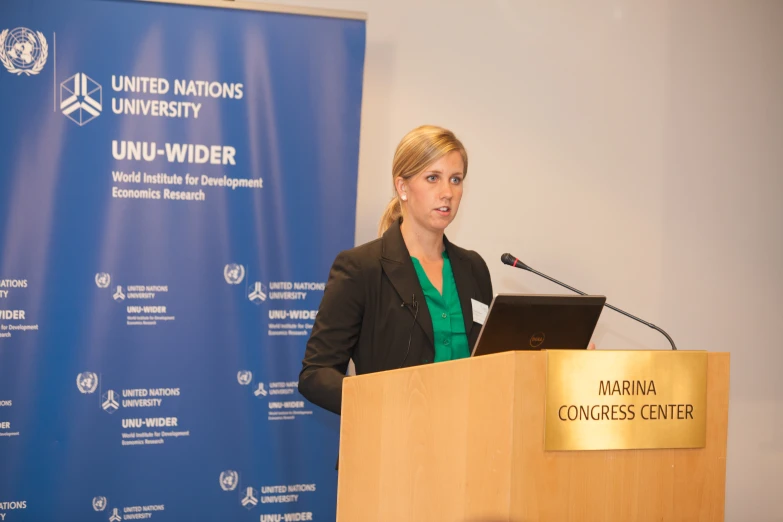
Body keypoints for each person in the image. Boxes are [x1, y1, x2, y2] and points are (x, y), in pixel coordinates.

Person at [298, 125, 493, 415]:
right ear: (402, 187)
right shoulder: (360, 268)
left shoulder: (473, 268)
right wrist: (382, 403)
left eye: (456, 179)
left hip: (469, 443)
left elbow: (493, 364)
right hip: (390, 445)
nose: (447, 193)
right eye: (432, 178)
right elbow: (316, 374)